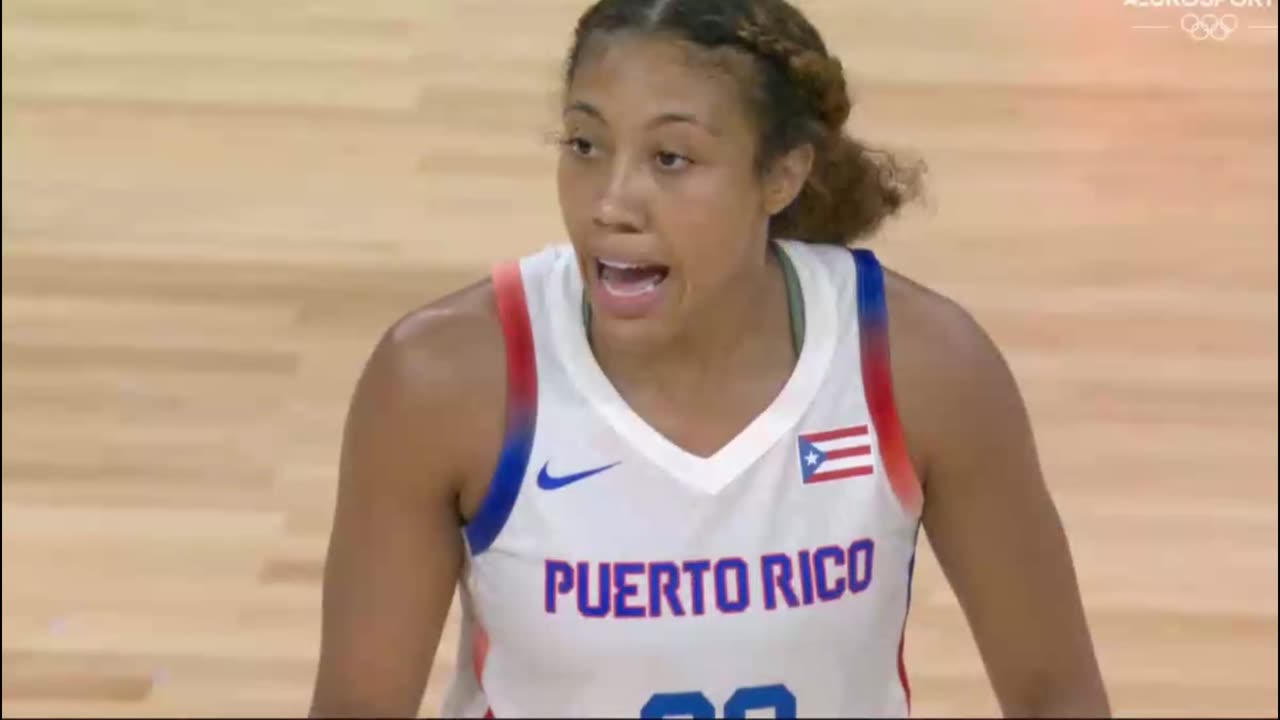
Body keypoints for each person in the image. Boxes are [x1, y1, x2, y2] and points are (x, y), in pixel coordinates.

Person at [308, 0, 1110, 717]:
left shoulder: (920, 366)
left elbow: (1056, 695)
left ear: (782, 175)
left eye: (671, 159)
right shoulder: (446, 382)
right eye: (585, 144)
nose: (610, 202)